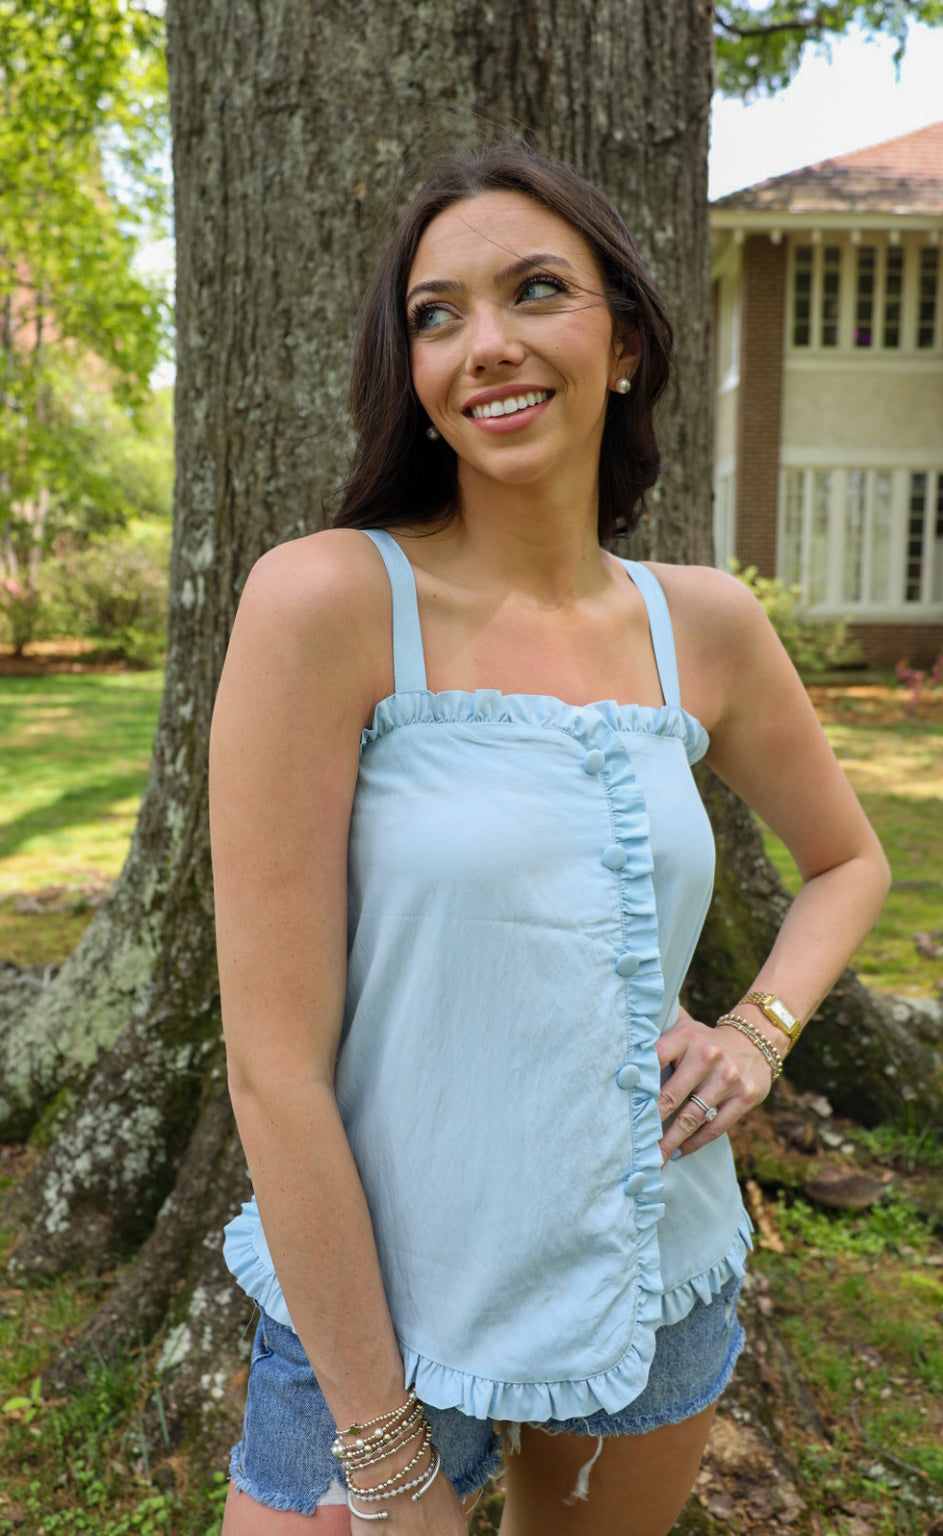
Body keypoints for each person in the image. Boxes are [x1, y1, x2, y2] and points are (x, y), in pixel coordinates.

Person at [210, 145, 890, 1536]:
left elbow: (849, 862)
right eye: (436, 313)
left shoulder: (703, 626)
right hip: (382, 1309)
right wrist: (385, 1453)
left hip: (656, 1274)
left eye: (535, 291)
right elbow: (271, 1067)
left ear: (625, 338)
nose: (487, 344)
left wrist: (758, 1030)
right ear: (411, 369)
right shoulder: (327, 602)